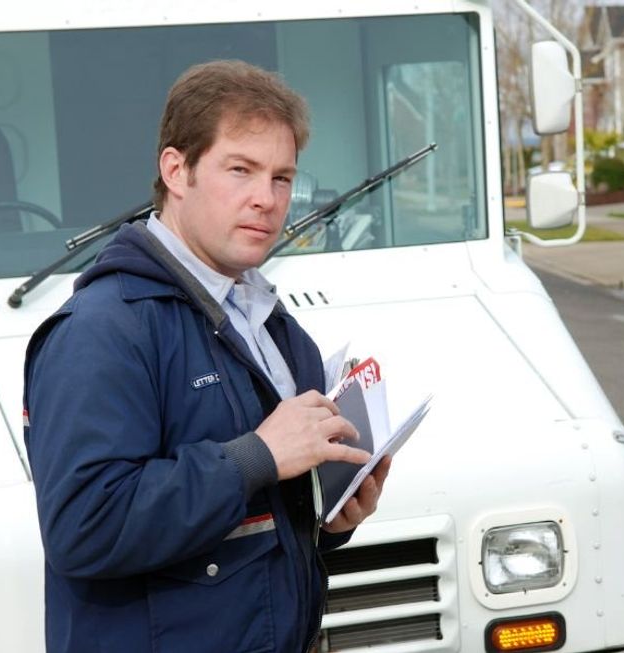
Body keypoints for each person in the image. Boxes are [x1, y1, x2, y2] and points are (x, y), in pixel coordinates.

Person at [23, 60, 390, 653]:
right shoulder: (101, 329)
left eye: (282, 178)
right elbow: (84, 527)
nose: (266, 200)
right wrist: (258, 456)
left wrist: (328, 518)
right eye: (240, 170)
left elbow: (249, 526)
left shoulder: (273, 324)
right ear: (176, 170)